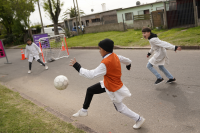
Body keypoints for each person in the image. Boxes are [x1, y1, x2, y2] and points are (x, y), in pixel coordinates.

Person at [69, 38, 145, 129]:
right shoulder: (114, 55)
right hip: (107, 83)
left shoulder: (106, 63)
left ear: (104, 50)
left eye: (100, 49)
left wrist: (77, 66)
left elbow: (91, 75)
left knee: (120, 108)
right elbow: (127, 60)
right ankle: (84, 110)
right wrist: (128, 65)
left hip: (113, 87)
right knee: (90, 90)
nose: (99, 51)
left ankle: (139, 119)